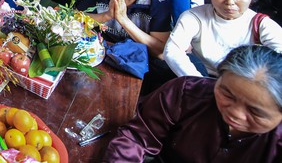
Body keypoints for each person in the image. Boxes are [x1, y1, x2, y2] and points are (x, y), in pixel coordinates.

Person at [105, 45, 282, 162]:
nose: (235, 113)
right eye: (227, 94)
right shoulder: (186, 93)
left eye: (255, 111)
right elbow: (138, 137)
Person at [164, 0, 282, 78]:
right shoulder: (194, 17)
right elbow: (173, 51)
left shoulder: (261, 24)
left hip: (243, 83)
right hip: (203, 76)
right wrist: (200, 83)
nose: (230, 2)